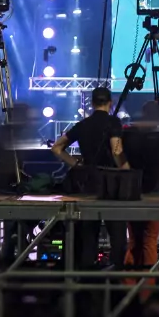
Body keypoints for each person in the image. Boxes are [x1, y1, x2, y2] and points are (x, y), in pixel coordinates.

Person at [50, 87, 128, 267]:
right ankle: (116, 275)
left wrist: (76, 164)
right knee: (117, 236)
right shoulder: (113, 122)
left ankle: (86, 278)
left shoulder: (83, 124)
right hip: (110, 185)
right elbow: (117, 151)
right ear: (110, 103)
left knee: (88, 236)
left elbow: (56, 148)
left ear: (92, 103)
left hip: (88, 185)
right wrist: (127, 171)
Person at [122, 101, 159, 292]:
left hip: (133, 190)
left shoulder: (129, 135)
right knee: (149, 240)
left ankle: (129, 287)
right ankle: (147, 291)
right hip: (154, 192)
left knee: (134, 240)